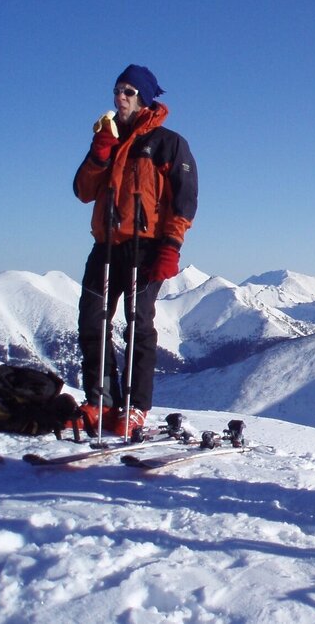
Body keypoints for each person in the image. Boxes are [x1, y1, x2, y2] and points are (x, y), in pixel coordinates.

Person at [73, 65, 198, 435]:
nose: (119, 98)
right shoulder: (107, 141)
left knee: (138, 323)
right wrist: (100, 152)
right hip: (107, 246)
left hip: (147, 249)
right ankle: (101, 402)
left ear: (143, 97)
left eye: (128, 91)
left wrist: (171, 246)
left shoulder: (168, 143)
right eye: (116, 91)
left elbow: (185, 201)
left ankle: (135, 407)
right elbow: (83, 191)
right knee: (91, 321)